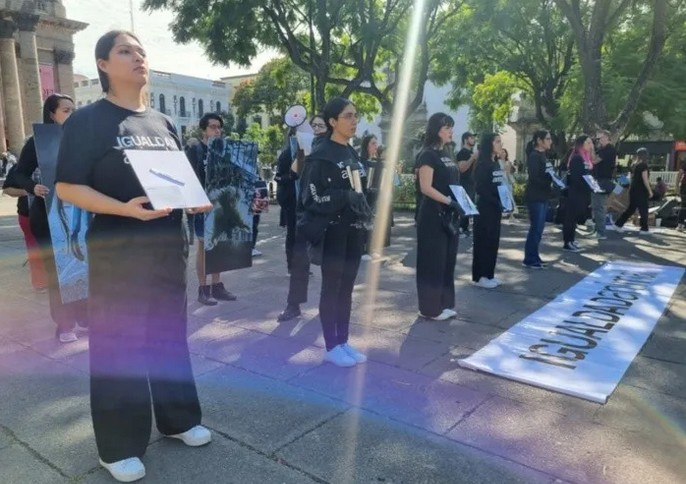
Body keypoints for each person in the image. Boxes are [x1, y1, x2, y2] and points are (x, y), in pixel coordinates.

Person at [54, 31, 211, 482]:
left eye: (141, 50)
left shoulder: (163, 123)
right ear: (103, 64)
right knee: (119, 344)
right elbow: (67, 186)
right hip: (119, 249)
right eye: (126, 51)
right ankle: (118, 445)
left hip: (167, 247)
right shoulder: (88, 121)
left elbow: (175, 182)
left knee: (168, 335)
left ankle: (179, 419)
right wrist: (122, 208)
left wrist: (193, 200)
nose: (138, 57)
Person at [298, 97, 371, 366]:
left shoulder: (351, 152)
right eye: (348, 116)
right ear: (332, 121)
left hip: (353, 230)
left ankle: (343, 340)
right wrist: (344, 197)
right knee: (332, 287)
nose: (354, 121)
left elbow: (359, 188)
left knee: (347, 288)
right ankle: (331, 345)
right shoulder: (320, 154)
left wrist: (366, 198)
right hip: (331, 231)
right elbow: (311, 197)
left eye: (356, 115)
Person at [13, 93, 87, 342]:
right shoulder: (38, 142)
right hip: (48, 216)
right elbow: (17, 175)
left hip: (79, 214)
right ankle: (64, 325)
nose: (71, 114)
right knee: (58, 272)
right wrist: (33, 187)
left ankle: (83, 316)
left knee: (81, 265)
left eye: (74, 109)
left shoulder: (80, 141)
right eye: (66, 110)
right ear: (52, 114)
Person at [276, 114, 327, 322]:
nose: (315, 128)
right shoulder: (300, 149)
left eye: (319, 125)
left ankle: (328, 306)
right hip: (304, 213)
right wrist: (300, 152)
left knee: (330, 262)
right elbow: (292, 173)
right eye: (312, 125)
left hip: (325, 213)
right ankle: (293, 305)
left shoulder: (332, 149)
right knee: (299, 261)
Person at [185, 113, 238, 305]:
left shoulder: (223, 151)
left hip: (221, 205)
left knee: (219, 245)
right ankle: (203, 288)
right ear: (204, 129)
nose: (217, 130)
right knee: (204, 247)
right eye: (213, 127)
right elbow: (188, 175)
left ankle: (217, 285)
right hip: (202, 205)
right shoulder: (195, 149)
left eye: (219, 127)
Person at [415, 113, 460, 321]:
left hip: (449, 216)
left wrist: (462, 202)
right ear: (436, 130)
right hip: (433, 214)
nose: (450, 131)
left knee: (447, 261)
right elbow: (426, 187)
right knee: (433, 261)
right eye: (446, 127)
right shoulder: (427, 155)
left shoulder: (448, 153)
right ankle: (430, 308)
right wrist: (449, 201)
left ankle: (444, 303)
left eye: (451, 127)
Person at [2, 164, 47, 291]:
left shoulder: (55, 161)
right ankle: (40, 281)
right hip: (28, 214)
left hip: (53, 214)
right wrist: (28, 190)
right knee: (34, 247)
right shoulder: (19, 167)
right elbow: (7, 189)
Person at [472, 133, 505, 289]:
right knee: (483, 241)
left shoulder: (496, 163)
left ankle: (490, 274)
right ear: (489, 145)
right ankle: (481, 276)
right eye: (497, 141)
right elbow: (482, 189)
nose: (500, 144)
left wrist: (505, 202)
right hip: (485, 209)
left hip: (496, 209)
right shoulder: (483, 164)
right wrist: (496, 202)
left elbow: (500, 186)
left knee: (493, 241)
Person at [522, 130, 553, 269]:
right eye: (547, 139)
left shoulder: (543, 155)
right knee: (535, 228)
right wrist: (549, 181)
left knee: (539, 229)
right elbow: (535, 177)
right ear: (539, 141)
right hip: (535, 196)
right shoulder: (534, 156)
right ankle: (529, 258)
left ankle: (535, 256)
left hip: (543, 195)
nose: (550, 141)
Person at [563, 135, 594, 251]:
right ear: (581, 144)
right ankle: (567, 242)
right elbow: (576, 178)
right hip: (575, 193)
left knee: (574, 219)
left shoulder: (584, 158)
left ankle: (571, 240)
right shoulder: (577, 158)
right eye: (587, 143)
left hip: (581, 194)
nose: (590, 145)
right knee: (570, 219)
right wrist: (587, 184)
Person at [613, 148, 653, 235]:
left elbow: (631, 178)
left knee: (631, 209)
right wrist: (650, 191)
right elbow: (645, 179)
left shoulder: (634, 165)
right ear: (645, 155)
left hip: (634, 189)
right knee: (643, 209)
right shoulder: (644, 165)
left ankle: (618, 224)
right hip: (641, 190)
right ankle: (644, 229)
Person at [591, 130, 617, 240]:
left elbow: (594, 160)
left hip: (603, 180)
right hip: (599, 179)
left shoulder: (608, 149)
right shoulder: (603, 149)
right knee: (596, 206)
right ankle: (598, 229)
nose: (599, 140)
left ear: (606, 137)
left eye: (600, 138)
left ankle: (601, 231)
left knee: (599, 206)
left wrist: (591, 149)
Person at [456, 131, 477, 237]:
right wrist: (472, 158)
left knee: (470, 208)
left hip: (472, 183)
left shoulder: (471, 153)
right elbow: (462, 168)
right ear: (465, 139)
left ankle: (466, 228)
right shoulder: (462, 153)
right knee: (464, 207)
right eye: (471, 138)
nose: (474, 140)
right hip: (464, 183)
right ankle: (461, 228)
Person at [677, 165, 686, 231]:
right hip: (684, 187)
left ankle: (680, 224)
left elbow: (680, 173)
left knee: (683, 206)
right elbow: (680, 172)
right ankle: (680, 224)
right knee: (683, 206)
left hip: (683, 186)